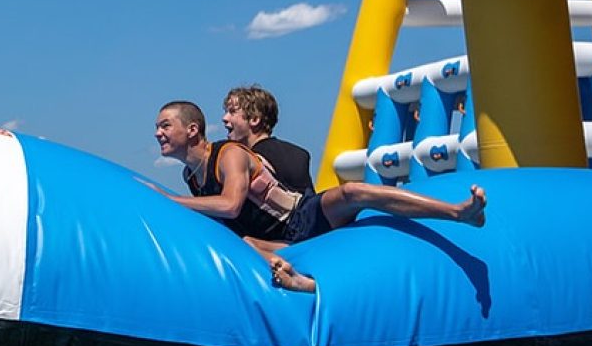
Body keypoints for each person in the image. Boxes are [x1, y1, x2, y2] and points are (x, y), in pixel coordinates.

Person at [153, 101, 486, 293]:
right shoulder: (191, 176)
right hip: (276, 243)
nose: (158, 133)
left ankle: (458, 212)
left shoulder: (228, 155)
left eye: (166, 125)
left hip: (303, 216)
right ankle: (306, 284)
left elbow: (230, 205)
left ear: (192, 129)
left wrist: (169, 201)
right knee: (246, 243)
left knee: (353, 190)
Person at [220, 84, 314, 195]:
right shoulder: (300, 155)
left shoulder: (246, 161)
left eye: (232, 112)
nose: (224, 118)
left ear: (254, 119)